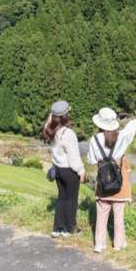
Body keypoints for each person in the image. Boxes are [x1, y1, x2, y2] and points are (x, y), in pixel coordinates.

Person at [87, 107, 136, 253]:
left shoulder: (94, 140)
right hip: (119, 179)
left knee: (102, 212)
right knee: (118, 213)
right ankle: (118, 243)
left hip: (103, 180)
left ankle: (99, 244)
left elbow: (92, 160)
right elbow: (129, 131)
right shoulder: (121, 136)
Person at [42, 100, 85, 238]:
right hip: (69, 170)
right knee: (71, 199)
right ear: (66, 115)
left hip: (57, 169)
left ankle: (57, 228)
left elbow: (48, 124)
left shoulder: (50, 131)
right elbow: (73, 156)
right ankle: (69, 229)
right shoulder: (68, 133)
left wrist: (51, 118)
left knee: (61, 198)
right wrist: (81, 170)